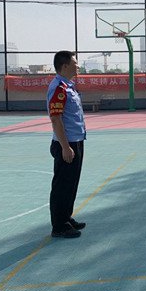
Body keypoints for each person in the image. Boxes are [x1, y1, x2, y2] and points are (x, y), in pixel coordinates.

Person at [47, 51, 87, 238]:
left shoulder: (69, 86)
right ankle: (59, 225)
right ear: (64, 66)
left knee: (71, 183)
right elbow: (56, 119)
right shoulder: (59, 88)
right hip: (66, 143)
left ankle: (66, 217)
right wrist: (65, 147)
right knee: (62, 185)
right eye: (75, 63)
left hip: (76, 140)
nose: (77, 66)